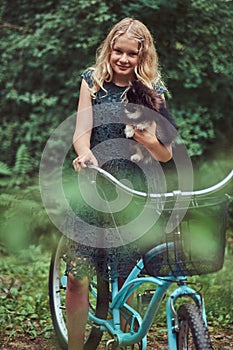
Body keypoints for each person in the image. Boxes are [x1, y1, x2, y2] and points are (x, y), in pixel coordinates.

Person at [66, 17, 176, 350]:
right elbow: (81, 134)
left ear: (143, 57)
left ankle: (125, 342)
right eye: (118, 51)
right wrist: (85, 155)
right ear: (109, 49)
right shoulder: (92, 82)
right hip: (96, 185)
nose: (124, 59)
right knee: (77, 276)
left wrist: (148, 140)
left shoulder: (152, 91)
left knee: (129, 281)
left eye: (132, 54)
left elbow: (166, 155)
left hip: (134, 194)